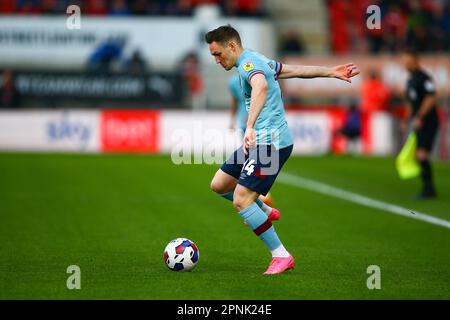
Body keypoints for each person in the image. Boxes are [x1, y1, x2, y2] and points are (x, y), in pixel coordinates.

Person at [205, 25, 359, 275]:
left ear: (231, 46)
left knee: (242, 200)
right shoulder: (258, 59)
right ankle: (264, 209)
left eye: (218, 54)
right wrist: (330, 72)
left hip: (270, 143)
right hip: (260, 141)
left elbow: (261, 87)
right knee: (220, 184)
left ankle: (281, 255)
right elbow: (293, 70)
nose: (216, 60)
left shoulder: (248, 65)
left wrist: (250, 126)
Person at [401, 49, 440, 199]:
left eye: (409, 62)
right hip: (419, 121)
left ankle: (429, 189)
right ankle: (428, 188)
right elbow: (411, 103)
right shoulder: (410, 80)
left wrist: (420, 116)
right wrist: (406, 119)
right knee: (419, 155)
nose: (407, 65)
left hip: (429, 121)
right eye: (405, 63)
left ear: (416, 61)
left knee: (422, 154)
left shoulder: (425, 78)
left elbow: (430, 98)